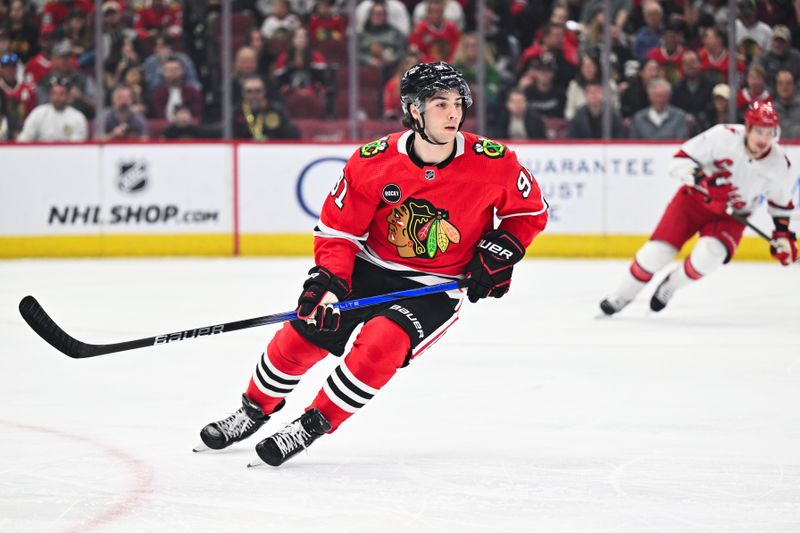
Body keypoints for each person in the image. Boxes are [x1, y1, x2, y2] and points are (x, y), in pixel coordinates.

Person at [198, 61, 548, 467]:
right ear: (414, 110)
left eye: (457, 103)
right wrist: (328, 282)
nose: (453, 113)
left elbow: (529, 214)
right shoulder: (372, 162)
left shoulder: (495, 162)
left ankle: (312, 423)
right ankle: (253, 410)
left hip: (434, 285)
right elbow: (339, 231)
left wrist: (499, 253)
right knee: (300, 335)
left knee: (382, 344)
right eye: (439, 104)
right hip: (369, 267)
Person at [599, 101, 796, 316]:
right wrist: (703, 181)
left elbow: (781, 205)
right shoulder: (722, 137)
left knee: (710, 255)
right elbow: (678, 162)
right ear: (748, 128)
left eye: (770, 133)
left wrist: (783, 235)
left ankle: (670, 286)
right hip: (693, 202)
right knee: (656, 254)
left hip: (731, 217)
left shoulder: (779, 164)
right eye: (759, 131)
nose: (764, 140)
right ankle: (622, 296)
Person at [17, 77, 88, 142]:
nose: (57, 97)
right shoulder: (38, 113)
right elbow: (24, 139)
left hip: (67, 155)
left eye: (61, 94)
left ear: (68, 96)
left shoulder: (78, 117)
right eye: (54, 93)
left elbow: (77, 147)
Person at [233, 75, 298, 140]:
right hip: (244, 147)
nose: (253, 94)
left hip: (272, 147)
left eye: (257, 91)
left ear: (264, 92)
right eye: (249, 91)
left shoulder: (275, 109)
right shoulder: (236, 112)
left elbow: (291, 134)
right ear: (243, 93)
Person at [773, 70, 800, 139]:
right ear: (776, 87)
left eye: (788, 83)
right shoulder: (770, 110)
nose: (784, 87)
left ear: (794, 86)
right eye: (781, 83)